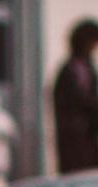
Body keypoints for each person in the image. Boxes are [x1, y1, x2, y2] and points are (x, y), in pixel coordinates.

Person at [54, 18, 98, 173]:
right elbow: (80, 100)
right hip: (76, 141)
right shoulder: (73, 70)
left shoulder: (84, 68)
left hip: (85, 138)